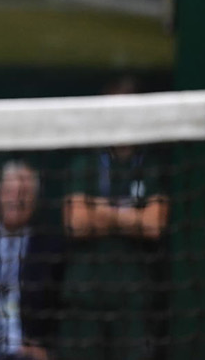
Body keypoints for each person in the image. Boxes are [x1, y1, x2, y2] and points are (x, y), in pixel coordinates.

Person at [59, 82, 167, 360]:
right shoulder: (84, 164)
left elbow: (153, 225)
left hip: (134, 302)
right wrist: (131, 215)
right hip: (85, 300)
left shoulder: (152, 166)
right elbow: (77, 222)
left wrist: (100, 209)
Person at [0, 161, 60, 360]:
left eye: (24, 192)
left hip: (27, 352)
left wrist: (46, 352)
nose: (16, 199)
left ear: (34, 200)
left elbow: (56, 307)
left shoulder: (49, 249)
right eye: (9, 191)